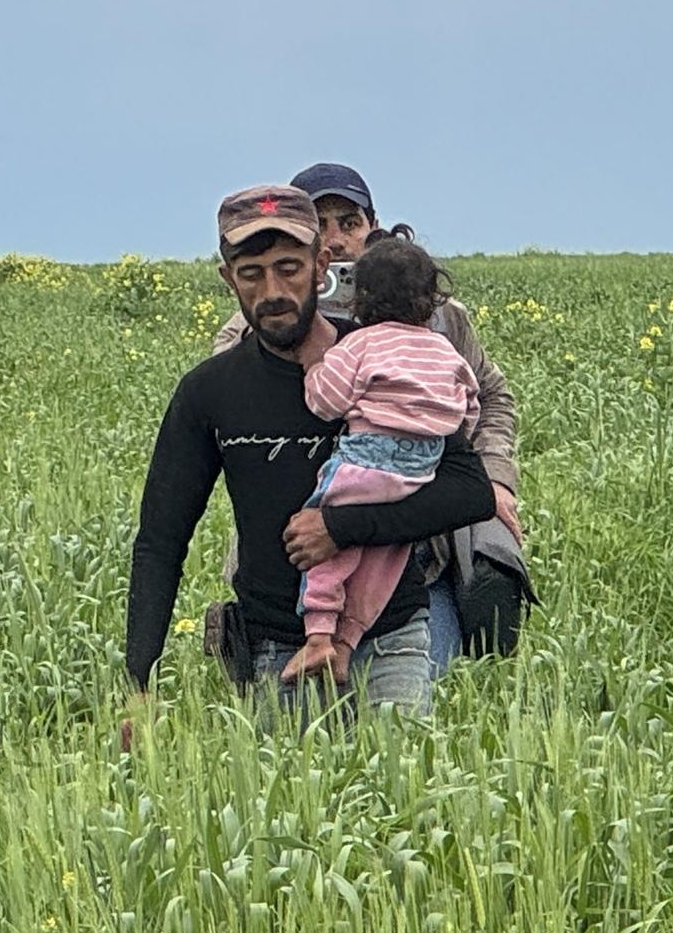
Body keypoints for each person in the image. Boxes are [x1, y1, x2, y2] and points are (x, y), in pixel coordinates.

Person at [126, 184, 496, 718]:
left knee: (403, 771)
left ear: (321, 265)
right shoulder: (210, 391)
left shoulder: (377, 357)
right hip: (275, 651)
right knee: (286, 778)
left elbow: (470, 493)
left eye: (289, 268)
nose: (272, 290)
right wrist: (139, 682)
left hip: (391, 639)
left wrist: (340, 527)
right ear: (228, 278)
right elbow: (161, 540)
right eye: (251, 274)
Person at [213, 162, 533, 672]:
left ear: (373, 228)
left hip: (414, 551)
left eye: (350, 223)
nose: (338, 241)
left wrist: (493, 479)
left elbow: (489, 395)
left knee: (414, 698)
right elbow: (230, 417)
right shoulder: (256, 325)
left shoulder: (439, 317)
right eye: (322, 227)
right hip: (294, 565)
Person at [283, 233, 481, 686]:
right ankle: (348, 643)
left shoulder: (360, 344)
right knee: (385, 559)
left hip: (367, 459)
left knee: (324, 534)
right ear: (432, 299)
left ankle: (318, 634)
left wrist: (313, 368)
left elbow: (326, 403)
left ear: (361, 298)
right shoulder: (444, 350)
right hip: (422, 468)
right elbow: (469, 404)